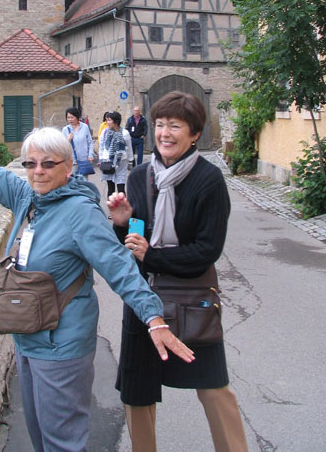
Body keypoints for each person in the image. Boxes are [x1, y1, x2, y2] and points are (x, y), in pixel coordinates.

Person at [0, 111, 194, 452]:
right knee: (41, 437)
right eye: (30, 163)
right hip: (28, 338)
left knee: (62, 443)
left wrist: (154, 319)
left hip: (61, 346)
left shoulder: (80, 213)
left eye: (48, 164)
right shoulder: (29, 198)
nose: (38, 171)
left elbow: (119, 267)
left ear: (68, 167)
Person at [107, 91, 248, 452]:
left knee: (214, 388)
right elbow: (137, 239)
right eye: (159, 124)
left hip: (192, 297)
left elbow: (206, 251)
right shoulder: (140, 177)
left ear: (194, 134)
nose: (164, 133)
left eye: (174, 125)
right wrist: (124, 225)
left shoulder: (208, 180)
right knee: (137, 393)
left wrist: (152, 257)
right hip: (144, 299)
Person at [98, 111, 133, 197]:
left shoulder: (125, 133)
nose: (107, 122)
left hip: (121, 162)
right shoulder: (105, 132)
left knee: (121, 188)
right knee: (111, 188)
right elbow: (101, 146)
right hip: (108, 162)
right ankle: (112, 207)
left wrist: (131, 160)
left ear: (116, 121)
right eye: (107, 120)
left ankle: (123, 206)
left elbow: (129, 147)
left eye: (109, 120)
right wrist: (101, 158)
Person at [61, 107, 94, 178]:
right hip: (72, 161)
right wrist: (68, 139)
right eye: (68, 117)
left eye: (72, 117)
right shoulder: (65, 129)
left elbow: (90, 142)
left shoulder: (84, 127)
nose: (70, 120)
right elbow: (62, 146)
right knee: (73, 182)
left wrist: (90, 155)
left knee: (84, 182)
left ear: (77, 117)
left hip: (84, 160)